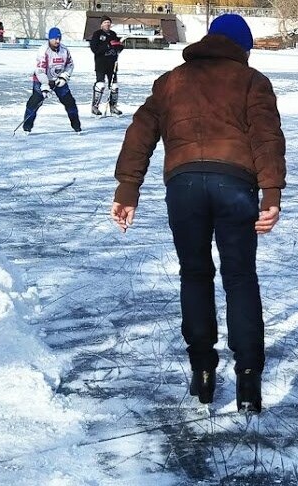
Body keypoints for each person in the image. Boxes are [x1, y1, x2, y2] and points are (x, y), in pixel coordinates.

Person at [110, 13, 285, 414]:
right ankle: (247, 381)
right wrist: (270, 192)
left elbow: (140, 131)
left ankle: (203, 371)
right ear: (240, 48)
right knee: (240, 276)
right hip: (236, 185)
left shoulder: (172, 80)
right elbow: (267, 137)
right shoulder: (252, 81)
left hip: (184, 187)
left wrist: (127, 188)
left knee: (195, 274)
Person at [21, 27, 82, 134]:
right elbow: (40, 71)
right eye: (55, 39)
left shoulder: (64, 50)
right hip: (42, 79)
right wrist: (45, 85)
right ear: (49, 39)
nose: (57, 41)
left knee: (70, 102)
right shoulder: (43, 51)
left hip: (59, 80)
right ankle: (27, 127)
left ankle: (76, 126)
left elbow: (70, 65)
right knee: (34, 103)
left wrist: (65, 76)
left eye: (59, 38)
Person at [88, 16, 125, 116]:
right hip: (101, 64)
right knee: (100, 85)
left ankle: (113, 106)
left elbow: (118, 45)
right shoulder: (97, 34)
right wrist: (107, 46)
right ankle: (95, 107)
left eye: (108, 22)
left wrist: (119, 46)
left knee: (114, 86)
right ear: (101, 24)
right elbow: (94, 49)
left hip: (112, 64)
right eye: (105, 22)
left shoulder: (113, 34)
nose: (107, 24)